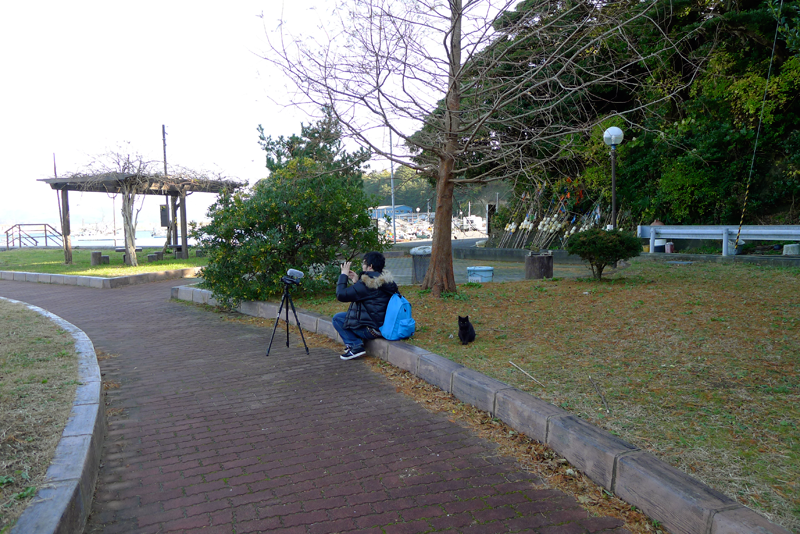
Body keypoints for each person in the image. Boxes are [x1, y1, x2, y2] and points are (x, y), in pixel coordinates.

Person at [332, 251, 398, 360]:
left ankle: (355, 346)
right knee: (345, 316)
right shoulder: (386, 281)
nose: (362, 266)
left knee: (338, 319)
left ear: (370, 266)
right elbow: (370, 297)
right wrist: (356, 281)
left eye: (364, 263)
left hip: (372, 329)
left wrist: (343, 274)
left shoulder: (366, 284)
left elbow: (341, 295)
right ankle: (355, 344)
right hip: (385, 324)